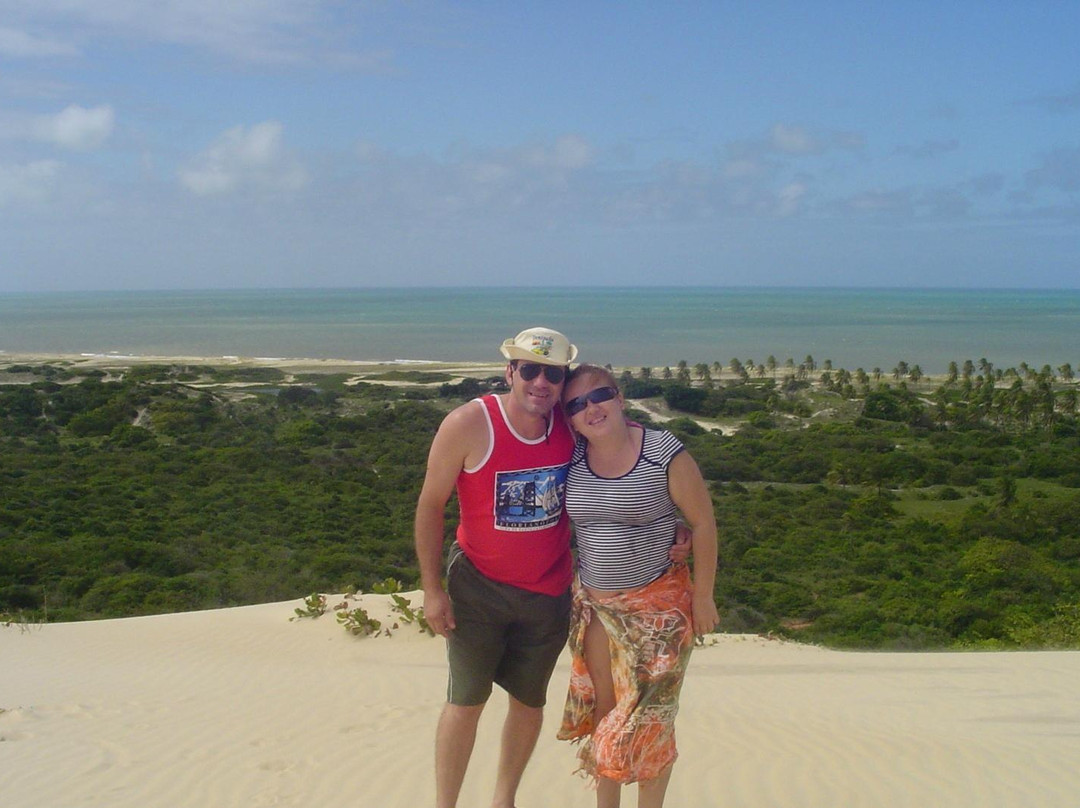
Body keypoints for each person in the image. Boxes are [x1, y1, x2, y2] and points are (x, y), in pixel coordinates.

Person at [415, 326, 579, 808]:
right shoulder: (469, 424)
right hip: (478, 586)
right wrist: (431, 590)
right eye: (530, 369)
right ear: (510, 371)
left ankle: (503, 801)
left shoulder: (572, 426)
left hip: (549, 591)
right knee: (466, 700)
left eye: (553, 373)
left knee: (529, 702)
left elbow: (627, 463)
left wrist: (676, 521)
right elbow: (430, 505)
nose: (541, 383)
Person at [556, 363, 719, 808]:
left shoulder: (662, 452)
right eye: (576, 404)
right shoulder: (570, 454)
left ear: (619, 398)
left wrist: (703, 596)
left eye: (599, 396)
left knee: (652, 720)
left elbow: (702, 523)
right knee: (608, 714)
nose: (591, 409)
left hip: (659, 610)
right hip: (596, 609)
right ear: (567, 416)